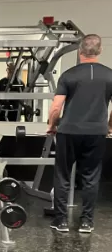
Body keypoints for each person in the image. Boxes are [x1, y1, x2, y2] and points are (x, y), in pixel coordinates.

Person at [47, 34, 112, 233]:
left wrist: (52, 125)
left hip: (69, 131)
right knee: (91, 177)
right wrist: (109, 126)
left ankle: (61, 221)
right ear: (100, 51)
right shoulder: (110, 75)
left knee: (63, 176)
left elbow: (56, 107)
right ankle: (86, 222)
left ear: (79, 51)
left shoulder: (68, 75)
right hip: (96, 132)